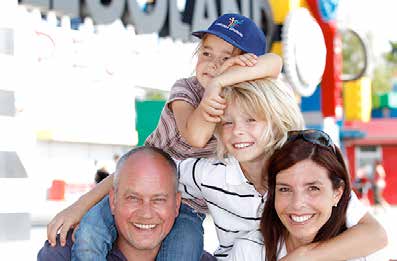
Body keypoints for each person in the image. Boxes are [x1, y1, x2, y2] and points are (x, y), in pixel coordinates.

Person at [47, 13, 282, 261]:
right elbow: (195, 136)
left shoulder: (240, 107)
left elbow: (275, 62)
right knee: (90, 235)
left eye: (226, 58)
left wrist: (223, 81)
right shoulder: (186, 90)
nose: (212, 64)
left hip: (189, 207)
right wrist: (78, 206)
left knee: (184, 251)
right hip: (140, 187)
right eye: (206, 54)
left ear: (246, 65)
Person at [177, 79, 387, 259]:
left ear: (277, 122)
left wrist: (304, 256)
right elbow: (159, 176)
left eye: (251, 120)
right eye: (227, 123)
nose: (238, 131)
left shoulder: (297, 169)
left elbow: (376, 234)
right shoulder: (210, 174)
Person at [229, 130, 387, 260]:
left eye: (313, 188)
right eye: (284, 189)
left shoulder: (361, 255)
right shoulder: (249, 251)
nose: (297, 204)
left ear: (337, 193)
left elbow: (378, 234)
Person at [38, 146, 181, 261]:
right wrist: (81, 205)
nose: (146, 213)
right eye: (133, 198)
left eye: (159, 200)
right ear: (113, 200)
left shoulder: (197, 254)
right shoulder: (63, 254)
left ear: (177, 204)